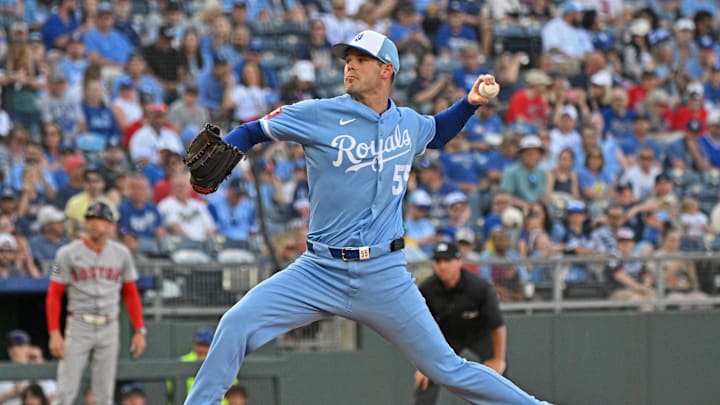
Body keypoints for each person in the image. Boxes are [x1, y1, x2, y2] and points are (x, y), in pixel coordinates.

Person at [184, 30, 547, 405]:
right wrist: (230, 153)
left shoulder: (407, 123)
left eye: (361, 59)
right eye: (347, 59)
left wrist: (469, 103)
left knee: (446, 369)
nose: (350, 65)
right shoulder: (318, 113)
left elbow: (436, 132)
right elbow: (253, 129)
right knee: (235, 324)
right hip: (318, 270)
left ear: (386, 70)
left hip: (383, 274)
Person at [45, 201, 147, 405]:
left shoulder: (122, 253)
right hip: (79, 324)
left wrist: (139, 330)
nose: (95, 224)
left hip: (109, 325)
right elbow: (54, 294)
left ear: (111, 225)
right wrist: (54, 332)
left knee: (104, 394)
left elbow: (131, 293)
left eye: (101, 220)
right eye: (91, 219)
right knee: (65, 391)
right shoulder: (66, 253)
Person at [414, 242, 508, 405]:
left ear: (459, 262)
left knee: (499, 373)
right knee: (426, 376)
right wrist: (423, 365)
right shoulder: (427, 289)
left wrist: (498, 359)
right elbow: (421, 330)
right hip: (447, 335)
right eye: (438, 261)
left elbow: (497, 326)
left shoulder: (479, 287)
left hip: (479, 333)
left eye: (447, 261)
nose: (442, 266)